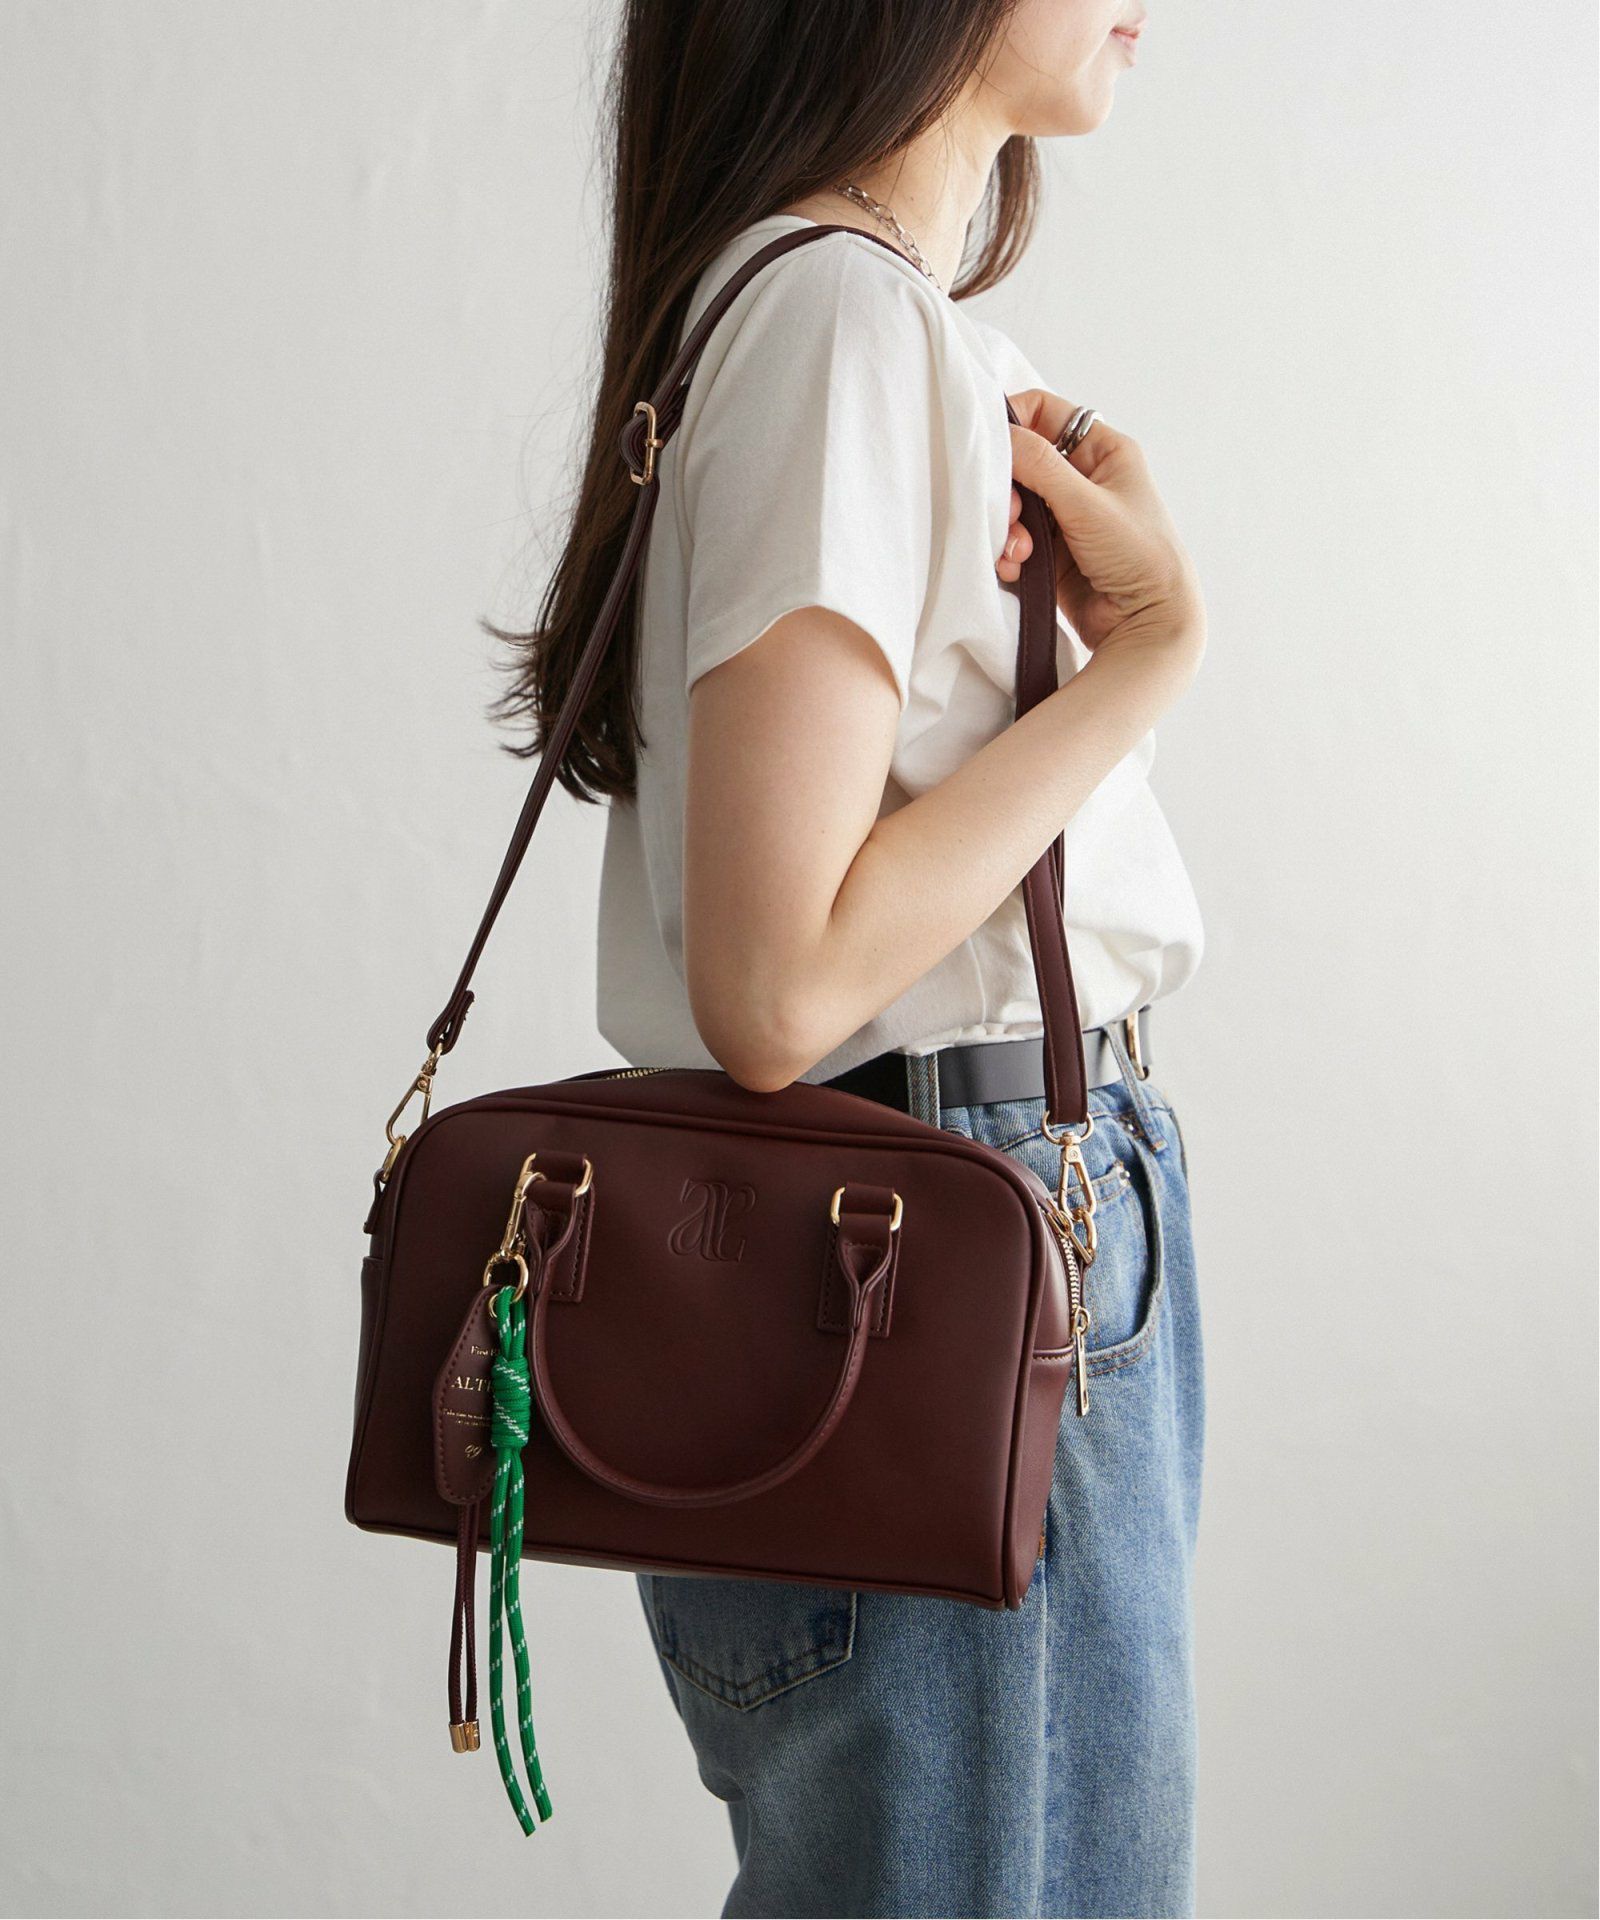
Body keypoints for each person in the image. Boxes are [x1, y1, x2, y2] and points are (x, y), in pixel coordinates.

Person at [492, 2, 1207, 1912]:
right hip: (941, 1253)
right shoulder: (838, 320)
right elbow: (780, 987)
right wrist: (1143, 662)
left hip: (930, 1251)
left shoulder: (851, 321)